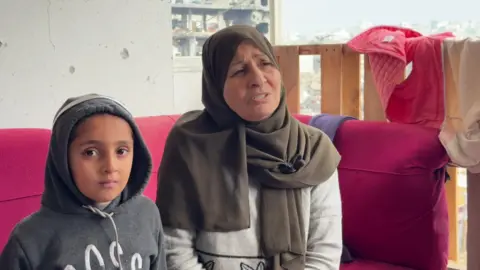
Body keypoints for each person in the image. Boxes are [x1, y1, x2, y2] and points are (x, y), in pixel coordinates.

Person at [157, 25, 343, 270]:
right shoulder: (190, 145)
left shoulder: (313, 150)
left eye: (265, 63)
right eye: (239, 70)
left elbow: (323, 254)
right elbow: (174, 250)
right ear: (216, 85)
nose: (257, 79)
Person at [0, 94, 167, 270]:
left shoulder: (147, 214)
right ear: (62, 158)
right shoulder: (29, 239)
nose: (110, 167)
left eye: (121, 151)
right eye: (90, 152)